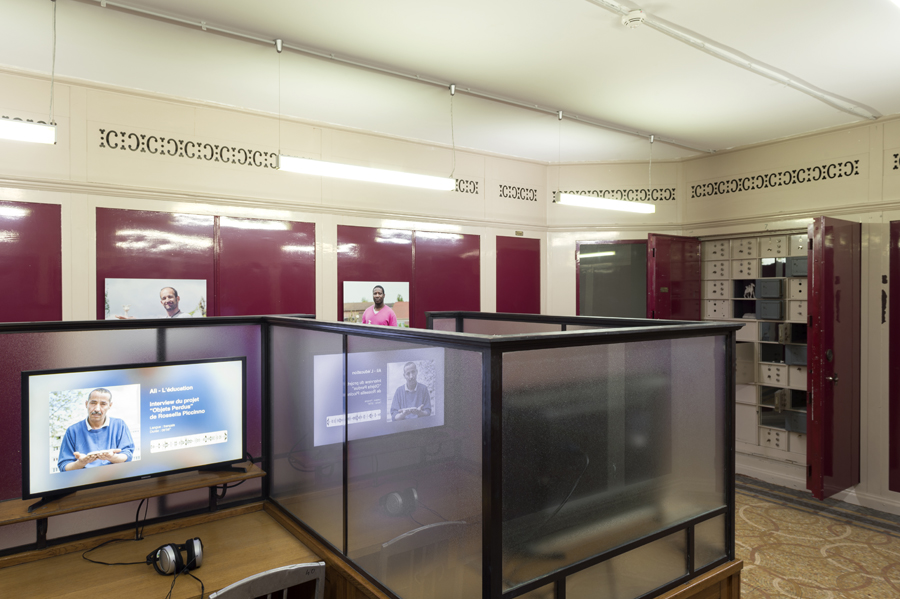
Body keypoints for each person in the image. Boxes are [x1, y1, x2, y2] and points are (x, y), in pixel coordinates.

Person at [57, 388, 135, 472]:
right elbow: (64, 466)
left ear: (110, 406)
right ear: (86, 404)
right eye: (93, 403)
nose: (97, 409)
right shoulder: (72, 431)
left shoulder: (119, 425)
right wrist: (81, 463)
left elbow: (127, 455)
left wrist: (113, 457)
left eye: (103, 404)